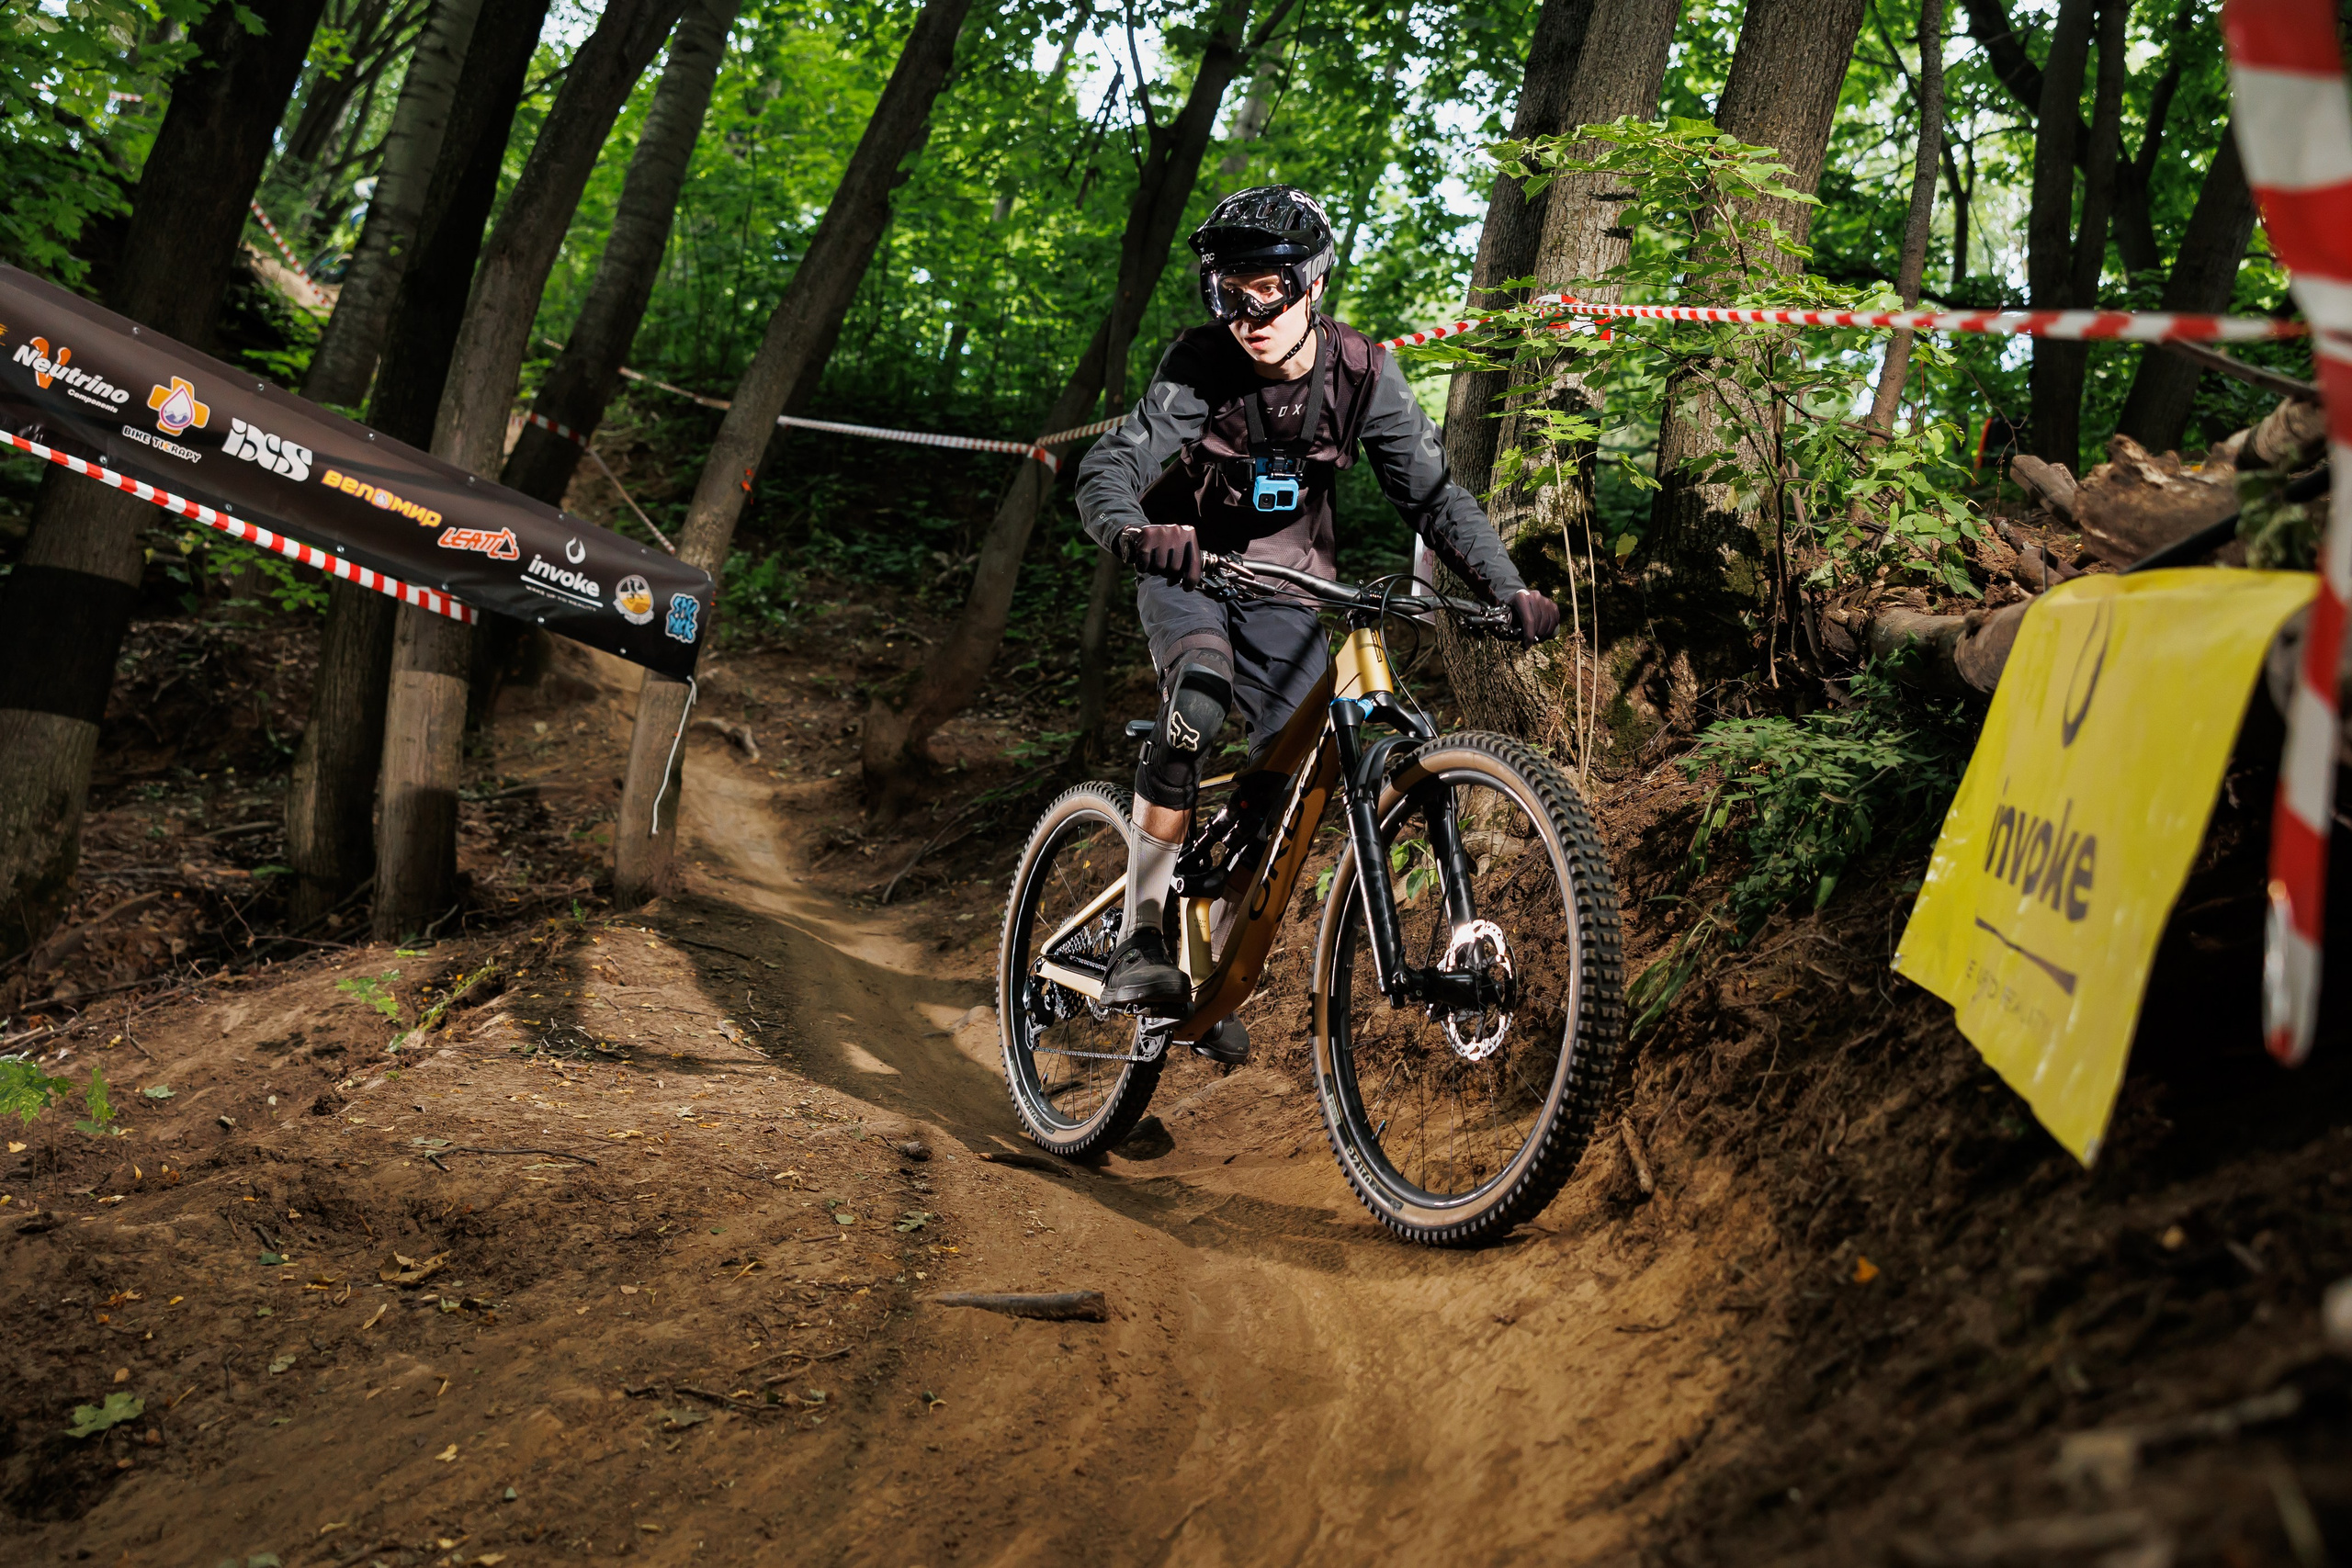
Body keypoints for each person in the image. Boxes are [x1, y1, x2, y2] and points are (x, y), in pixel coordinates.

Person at [1072, 185, 1562, 1032]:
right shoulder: (1199, 366)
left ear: (1312, 283)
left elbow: (1437, 500)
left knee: (1295, 782)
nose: (1249, 312)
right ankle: (1144, 935)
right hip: (1186, 572)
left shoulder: (1363, 374)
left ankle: (1213, 963)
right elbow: (1111, 464)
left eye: (1270, 287)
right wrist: (1133, 530)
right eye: (1230, 290)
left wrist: (1507, 585)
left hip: (1285, 588)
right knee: (1197, 699)